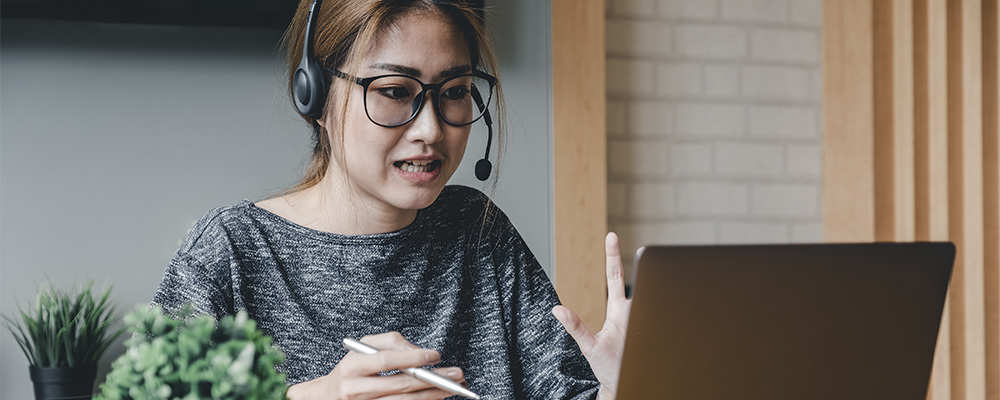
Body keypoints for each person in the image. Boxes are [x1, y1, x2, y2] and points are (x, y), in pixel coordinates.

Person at [151, 0, 630, 399]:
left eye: (455, 91)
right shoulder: (233, 251)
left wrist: (618, 390)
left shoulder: (480, 232)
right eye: (395, 91)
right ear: (315, 97)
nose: (431, 130)